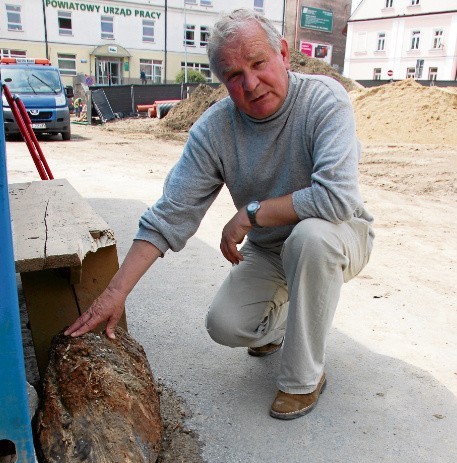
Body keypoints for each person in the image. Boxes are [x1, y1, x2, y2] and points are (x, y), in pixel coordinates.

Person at [65, 8, 374, 420]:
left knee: (309, 239)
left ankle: (303, 378)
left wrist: (250, 214)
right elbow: (170, 214)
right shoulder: (214, 130)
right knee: (226, 325)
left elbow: (336, 199)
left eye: (259, 63)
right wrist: (115, 293)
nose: (250, 83)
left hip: (338, 236)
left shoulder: (324, 99)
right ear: (222, 81)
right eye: (233, 75)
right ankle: (283, 323)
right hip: (271, 251)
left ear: (283, 53)